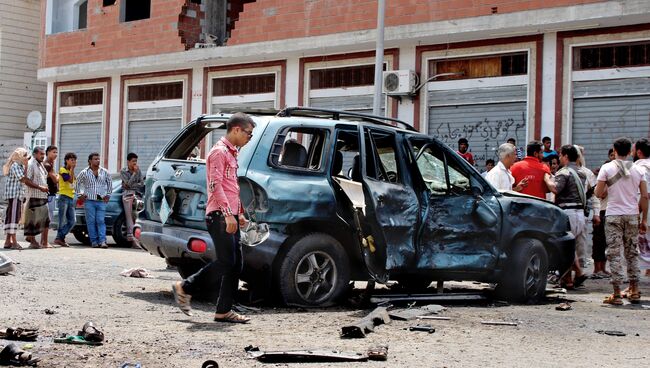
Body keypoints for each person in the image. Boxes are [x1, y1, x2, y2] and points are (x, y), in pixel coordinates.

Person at [172, 112, 255, 324]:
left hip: (229, 214)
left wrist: (240, 213)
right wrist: (228, 215)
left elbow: (231, 187)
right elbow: (215, 186)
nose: (249, 138)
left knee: (235, 264)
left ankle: (223, 311)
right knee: (227, 261)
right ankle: (185, 287)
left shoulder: (232, 153)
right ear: (236, 129)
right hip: (219, 216)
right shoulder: (218, 152)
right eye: (248, 133)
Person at [595, 137, 648, 305]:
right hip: (632, 215)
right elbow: (645, 196)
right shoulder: (639, 170)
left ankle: (617, 294)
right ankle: (634, 290)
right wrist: (644, 219)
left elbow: (598, 193)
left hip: (613, 215)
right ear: (630, 151)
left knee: (614, 253)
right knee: (632, 252)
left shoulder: (607, 168)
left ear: (614, 150)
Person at [554, 145, 590, 289]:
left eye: (561, 155)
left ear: (566, 156)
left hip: (568, 213)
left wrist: (546, 179)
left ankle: (578, 273)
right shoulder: (582, 173)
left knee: (567, 247)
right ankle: (567, 280)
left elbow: (555, 189)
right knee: (570, 246)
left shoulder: (564, 173)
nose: (559, 158)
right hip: (579, 213)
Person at [76, 153, 112, 249]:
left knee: (100, 220)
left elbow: (109, 184)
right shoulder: (84, 172)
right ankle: (94, 241)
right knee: (91, 221)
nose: (98, 160)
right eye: (95, 159)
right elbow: (77, 183)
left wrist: (108, 195)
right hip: (89, 201)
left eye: (98, 159)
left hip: (101, 201)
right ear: (90, 161)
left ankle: (102, 241)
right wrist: (80, 195)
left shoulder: (105, 172)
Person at [2, 148, 32, 250]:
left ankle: (7, 242)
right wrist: (27, 167)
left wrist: (26, 167)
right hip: (14, 195)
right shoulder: (15, 166)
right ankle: (14, 242)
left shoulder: (19, 166)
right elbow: (23, 179)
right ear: (19, 157)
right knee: (13, 218)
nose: (27, 159)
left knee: (11, 217)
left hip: (16, 196)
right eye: (25, 157)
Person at [24, 147, 51, 249]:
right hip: (33, 196)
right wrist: (40, 187)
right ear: (35, 154)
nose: (43, 156)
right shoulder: (31, 164)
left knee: (46, 220)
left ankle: (43, 242)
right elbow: (26, 181)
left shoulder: (40, 165)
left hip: (43, 196)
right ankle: (32, 241)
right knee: (32, 220)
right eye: (41, 154)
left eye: (44, 154)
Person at [633, 138, 650, 277]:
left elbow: (645, 194)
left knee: (642, 248)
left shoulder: (639, 167)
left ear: (638, 152)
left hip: (646, 211)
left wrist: (639, 214)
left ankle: (634, 285)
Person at [120, 152, 144, 248]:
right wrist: (134, 174)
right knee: (129, 218)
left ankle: (138, 239)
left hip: (137, 195)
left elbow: (141, 184)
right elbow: (128, 185)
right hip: (127, 195)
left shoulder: (139, 170)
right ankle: (133, 240)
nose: (135, 163)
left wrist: (132, 184)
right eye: (133, 161)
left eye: (136, 161)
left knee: (137, 217)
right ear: (128, 161)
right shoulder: (123, 171)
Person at [53, 152, 77, 247]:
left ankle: (59, 237)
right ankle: (60, 239)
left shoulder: (72, 171)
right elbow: (69, 180)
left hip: (71, 197)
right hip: (63, 197)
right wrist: (72, 168)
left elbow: (73, 183)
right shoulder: (62, 170)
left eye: (74, 160)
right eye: (71, 160)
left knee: (72, 221)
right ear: (67, 160)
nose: (73, 162)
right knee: (62, 220)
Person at [43, 145, 59, 225]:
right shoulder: (47, 165)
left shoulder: (50, 164)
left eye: (56, 152)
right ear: (48, 153)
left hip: (52, 194)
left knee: (48, 218)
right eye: (54, 152)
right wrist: (60, 175)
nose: (55, 154)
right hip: (49, 195)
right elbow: (56, 180)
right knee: (48, 219)